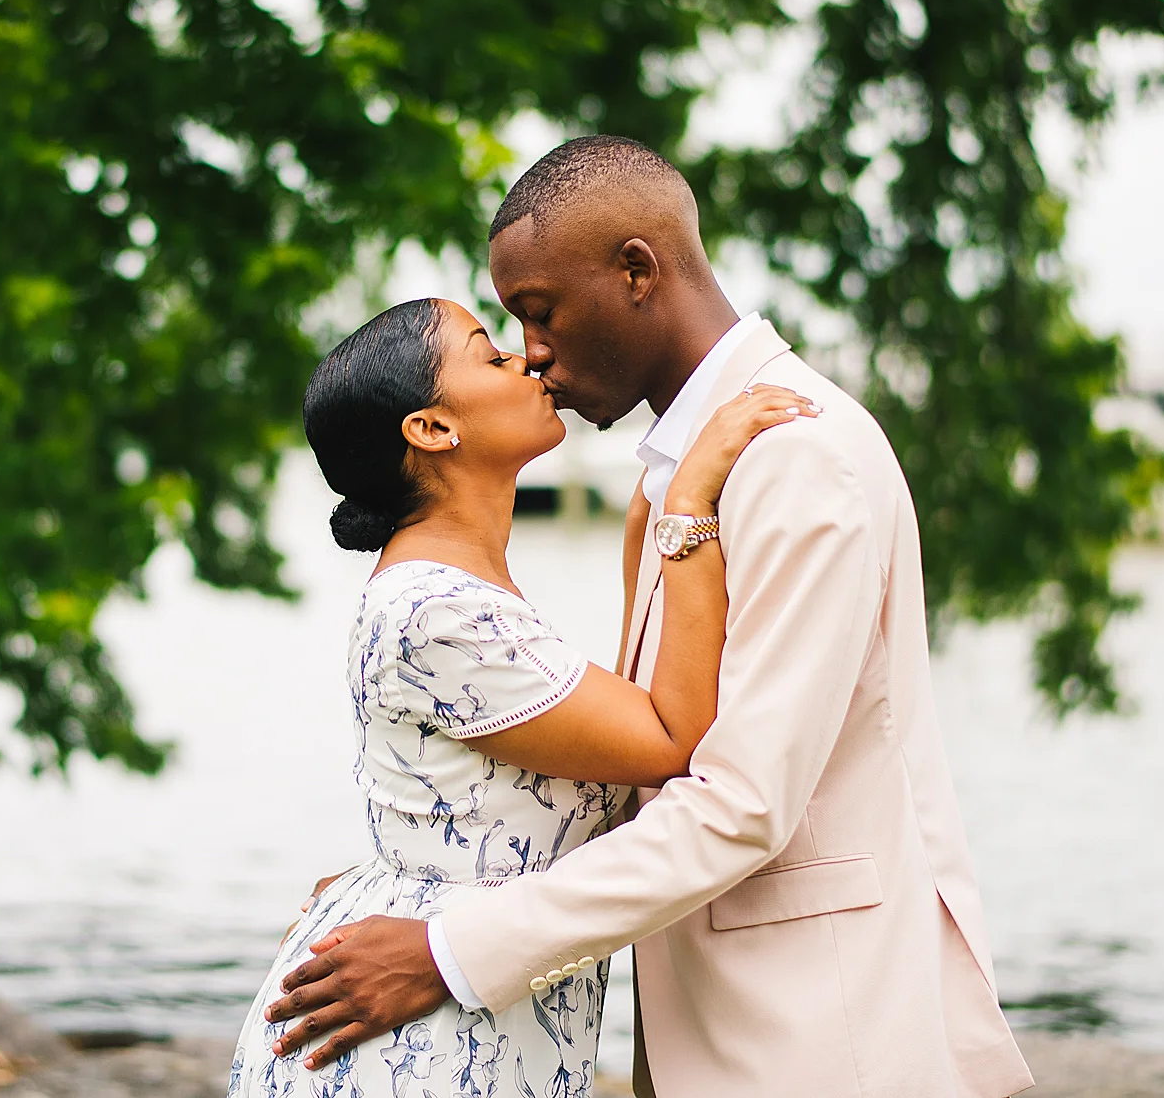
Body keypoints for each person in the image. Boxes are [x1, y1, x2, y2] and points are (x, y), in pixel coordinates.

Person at [266, 137, 1034, 1098]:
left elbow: (738, 802)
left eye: (537, 314)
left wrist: (449, 945)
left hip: (819, 1039)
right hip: (723, 1033)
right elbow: (627, 762)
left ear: (636, 270)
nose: (532, 354)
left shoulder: (797, 457)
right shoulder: (680, 484)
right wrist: (409, 878)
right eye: (507, 330)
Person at [225, 294, 817, 1098]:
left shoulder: (459, 587)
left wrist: (649, 517)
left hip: (459, 1003)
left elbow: (573, 764)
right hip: (422, 1038)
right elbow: (674, 735)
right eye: (489, 353)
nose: (526, 359)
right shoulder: (437, 607)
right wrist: (689, 510)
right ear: (432, 429)